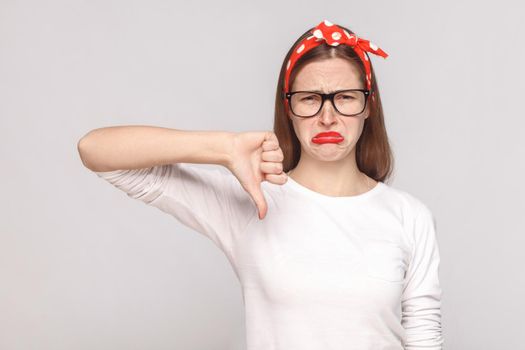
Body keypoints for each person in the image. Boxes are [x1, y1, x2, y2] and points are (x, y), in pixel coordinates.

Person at [77, 19, 443, 350]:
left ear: (368, 106)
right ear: (288, 108)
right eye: (310, 99)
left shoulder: (409, 216)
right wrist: (224, 148)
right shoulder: (253, 200)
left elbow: (424, 339)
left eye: (345, 97)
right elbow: (95, 150)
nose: (327, 117)